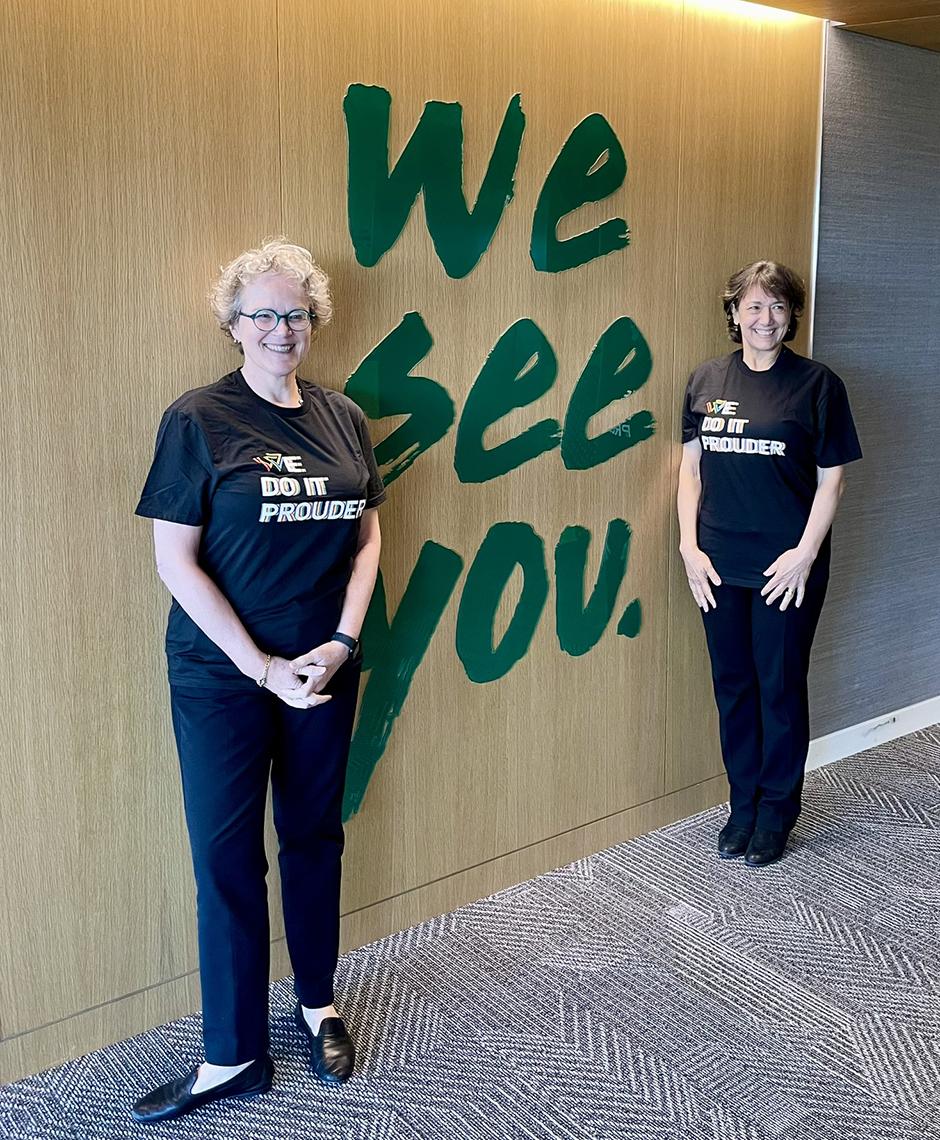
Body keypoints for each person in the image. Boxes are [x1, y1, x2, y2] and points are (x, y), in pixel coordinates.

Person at [131, 239, 385, 1123]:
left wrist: (344, 641)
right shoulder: (199, 418)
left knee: (314, 835)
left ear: (315, 322)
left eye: (297, 314)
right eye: (264, 314)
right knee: (226, 857)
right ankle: (231, 1054)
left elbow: (368, 535)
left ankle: (318, 1003)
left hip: (322, 668)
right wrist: (261, 667)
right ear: (233, 323)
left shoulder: (344, 417)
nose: (282, 329)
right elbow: (176, 561)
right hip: (223, 679)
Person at [678, 260, 862, 868]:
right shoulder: (705, 380)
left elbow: (831, 482)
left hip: (788, 566)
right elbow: (690, 471)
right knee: (732, 684)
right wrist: (688, 546)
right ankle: (742, 806)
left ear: (792, 315)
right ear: (733, 313)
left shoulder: (818, 385)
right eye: (754, 307)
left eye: (778, 307)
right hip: (718, 564)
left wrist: (804, 556)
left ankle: (777, 810)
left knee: (778, 686)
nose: (766, 319)